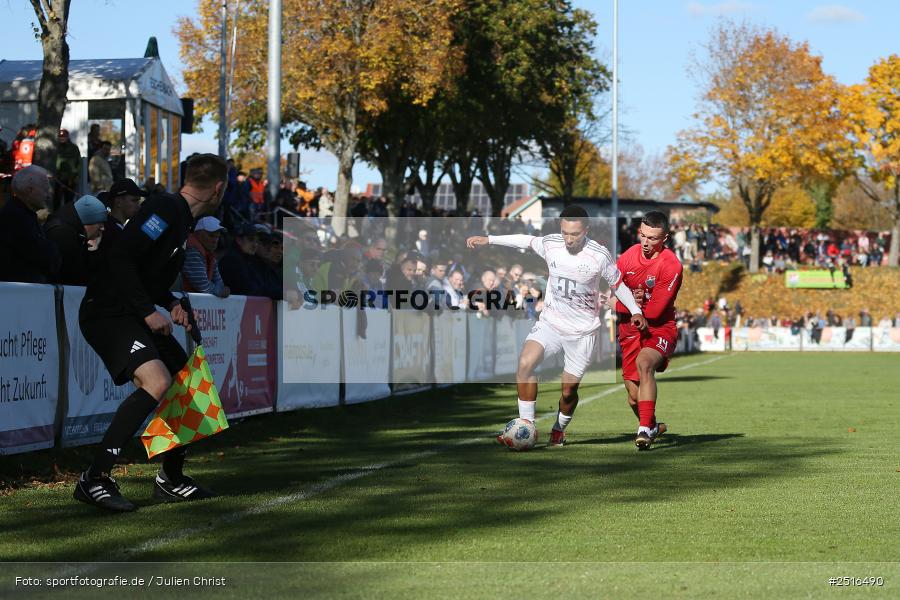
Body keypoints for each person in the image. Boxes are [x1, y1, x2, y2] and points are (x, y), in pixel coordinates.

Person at [74, 153, 228, 512]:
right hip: (108, 312)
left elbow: (143, 273)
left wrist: (170, 301)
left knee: (189, 387)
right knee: (157, 382)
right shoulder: (164, 210)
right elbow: (121, 259)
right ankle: (94, 478)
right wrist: (147, 311)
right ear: (217, 189)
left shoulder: (181, 220)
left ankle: (171, 479)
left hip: (130, 309)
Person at [467, 205, 646, 448]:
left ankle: (558, 430)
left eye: (574, 234)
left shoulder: (599, 255)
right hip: (550, 323)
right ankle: (527, 426)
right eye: (565, 233)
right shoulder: (551, 243)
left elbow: (618, 285)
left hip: (582, 332)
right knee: (524, 364)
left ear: (586, 230)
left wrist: (636, 311)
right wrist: (489, 239)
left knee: (568, 391)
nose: (569, 239)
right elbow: (525, 240)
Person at [615, 211, 683, 450]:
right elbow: (609, 294)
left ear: (665, 237)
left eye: (653, 238)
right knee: (633, 396)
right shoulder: (627, 257)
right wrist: (630, 305)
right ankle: (651, 425)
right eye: (643, 236)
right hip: (629, 329)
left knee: (645, 363)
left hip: (659, 329)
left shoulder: (671, 265)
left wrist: (635, 305)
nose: (645, 242)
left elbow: (654, 312)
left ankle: (643, 430)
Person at [0, 165, 61, 283]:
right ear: (29, 190)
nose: (48, 195)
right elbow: (45, 256)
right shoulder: (16, 218)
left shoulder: (22, 213)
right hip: (19, 294)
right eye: (45, 189)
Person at [44, 194, 107, 286]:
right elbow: (73, 276)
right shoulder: (63, 235)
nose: (103, 228)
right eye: (100, 223)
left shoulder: (74, 233)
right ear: (87, 221)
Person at [182, 216, 230, 297]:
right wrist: (221, 292)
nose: (215, 240)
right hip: (181, 304)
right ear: (198, 233)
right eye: (211, 236)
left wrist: (221, 289)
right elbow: (202, 286)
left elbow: (220, 283)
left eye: (217, 237)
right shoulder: (192, 250)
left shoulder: (209, 254)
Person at [98, 178, 148, 251]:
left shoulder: (109, 226)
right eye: (134, 200)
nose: (139, 206)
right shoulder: (113, 232)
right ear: (118, 202)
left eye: (138, 201)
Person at [55, 129, 82, 209]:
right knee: (57, 200)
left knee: (69, 201)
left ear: (67, 137)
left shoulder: (74, 148)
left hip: (71, 179)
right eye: (60, 136)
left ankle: (68, 218)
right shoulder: (56, 148)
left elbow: (79, 163)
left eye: (64, 136)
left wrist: (75, 177)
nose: (62, 138)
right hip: (58, 179)